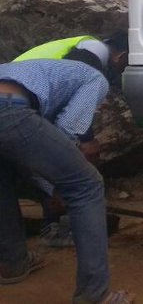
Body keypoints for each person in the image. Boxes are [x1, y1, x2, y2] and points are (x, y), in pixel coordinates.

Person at [0, 35, 134, 304]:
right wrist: (59, 186)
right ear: (119, 59)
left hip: (11, 103)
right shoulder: (93, 78)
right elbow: (69, 127)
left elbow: (34, 149)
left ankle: (13, 263)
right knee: (86, 186)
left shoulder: (45, 69)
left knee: (2, 183)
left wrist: (49, 186)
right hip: (9, 108)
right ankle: (95, 295)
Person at [14, 34, 128, 249]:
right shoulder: (94, 50)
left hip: (20, 95)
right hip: (21, 102)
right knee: (59, 163)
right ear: (121, 57)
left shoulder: (83, 48)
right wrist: (86, 140)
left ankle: (18, 246)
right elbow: (72, 105)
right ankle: (56, 228)